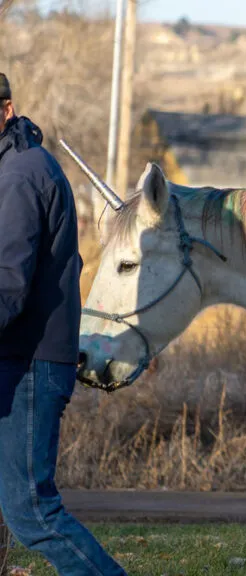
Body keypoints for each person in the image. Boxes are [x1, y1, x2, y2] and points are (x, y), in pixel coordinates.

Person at [0, 72, 127, 575]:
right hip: (19, 356)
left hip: (27, 362)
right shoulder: (13, 167)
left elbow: (7, 285)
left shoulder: (20, 176)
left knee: (32, 512)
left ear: (6, 110)